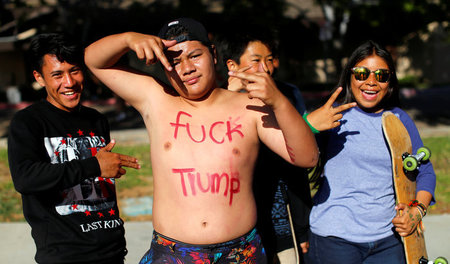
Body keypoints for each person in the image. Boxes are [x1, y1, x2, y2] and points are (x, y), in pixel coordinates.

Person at [84, 17, 319, 263]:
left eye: (195, 55)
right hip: (173, 253)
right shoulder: (155, 100)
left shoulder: (248, 106)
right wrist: (128, 38)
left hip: (241, 253)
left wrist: (279, 102)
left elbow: (306, 157)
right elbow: (94, 60)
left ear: (213, 54)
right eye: (174, 61)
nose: (187, 68)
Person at [219, 27, 355, 264]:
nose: (266, 68)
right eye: (256, 61)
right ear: (232, 66)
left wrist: (302, 227)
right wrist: (308, 125)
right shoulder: (215, 100)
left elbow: (295, 165)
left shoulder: (287, 94)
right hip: (236, 224)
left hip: (283, 220)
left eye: (270, 60)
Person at [8, 33, 140, 264]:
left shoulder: (96, 120)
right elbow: (25, 179)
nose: (69, 82)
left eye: (75, 70)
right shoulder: (28, 122)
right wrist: (94, 166)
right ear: (39, 78)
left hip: (112, 251)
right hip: (65, 255)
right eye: (57, 74)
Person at [305, 40, 436, 264]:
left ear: (390, 81)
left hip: (388, 241)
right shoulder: (332, 115)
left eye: (381, 75)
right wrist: (308, 124)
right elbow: (289, 152)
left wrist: (416, 212)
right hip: (335, 239)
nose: (371, 82)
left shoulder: (399, 120)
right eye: (362, 73)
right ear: (350, 76)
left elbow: (426, 173)